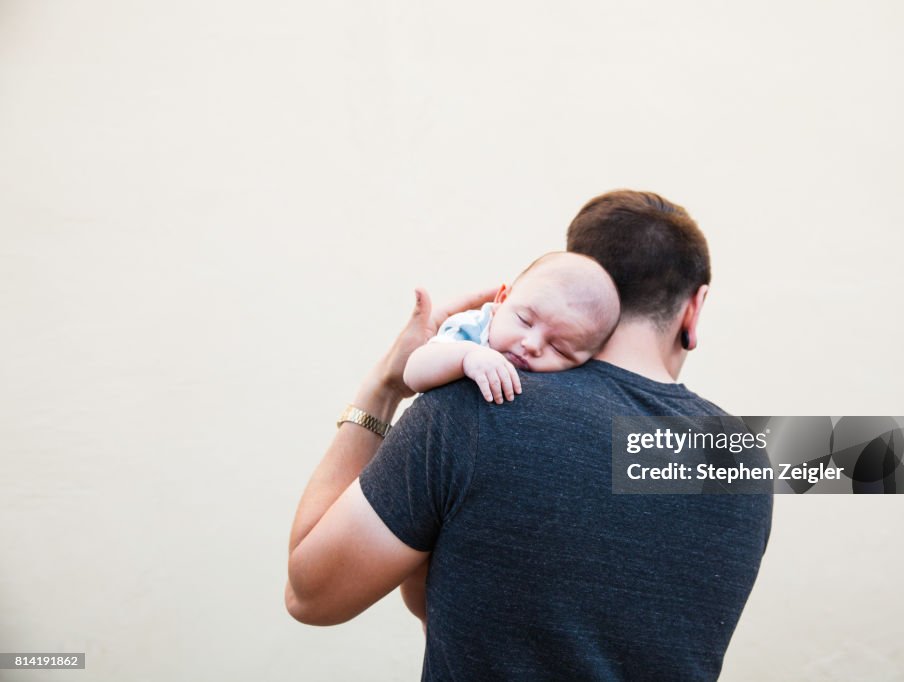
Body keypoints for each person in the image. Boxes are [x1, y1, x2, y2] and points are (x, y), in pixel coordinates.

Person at [285, 190, 773, 681]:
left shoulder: (473, 407)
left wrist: (385, 385)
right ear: (694, 308)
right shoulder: (744, 458)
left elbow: (310, 596)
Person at [403, 251, 620, 404]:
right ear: (503, 299)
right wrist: (466, 357)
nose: (532, 345)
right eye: (524, 320)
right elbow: (413, 374)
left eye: (559, 348)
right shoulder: (473, 329)